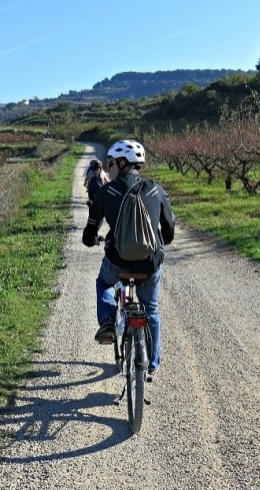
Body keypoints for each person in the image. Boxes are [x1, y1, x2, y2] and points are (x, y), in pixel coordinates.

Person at [82, 139, 176, 382]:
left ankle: (107, 322)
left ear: (122, 163)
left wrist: (92, 239)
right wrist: (161, 240)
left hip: (118, 261)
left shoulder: (108, 191)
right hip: (150, 263)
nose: (109, 167)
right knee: (151, 308)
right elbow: (169, 230)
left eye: (112, 163)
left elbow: (90, 231)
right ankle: (153, 364)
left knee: (104, 284)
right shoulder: (156, 190)